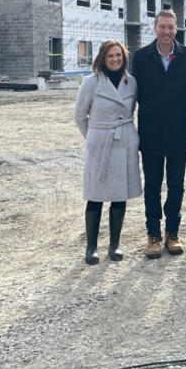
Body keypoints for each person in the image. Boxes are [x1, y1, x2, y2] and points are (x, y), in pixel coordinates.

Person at [131, 10, 186, 260]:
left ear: (176, 29)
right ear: (154, 28)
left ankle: (172, 233)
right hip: (150, 134)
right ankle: (153, 235)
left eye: (171, 27)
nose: (166, 31)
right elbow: (132, 96)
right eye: (162, 27)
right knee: (152, 186)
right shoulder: (140, 58)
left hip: (180, 133)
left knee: (176, 186)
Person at [73, 40, 143, 265]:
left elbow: (131, 110)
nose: (115, 59)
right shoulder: (90, 83)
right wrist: (93, 137)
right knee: (95, 194)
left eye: (119, 56)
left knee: (119, 194)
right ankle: (91, 247)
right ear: (102, 58)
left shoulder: (130, 82)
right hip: (100, 141)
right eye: (110, 56)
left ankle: (115, 244)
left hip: (124, 140)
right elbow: (79, 116)